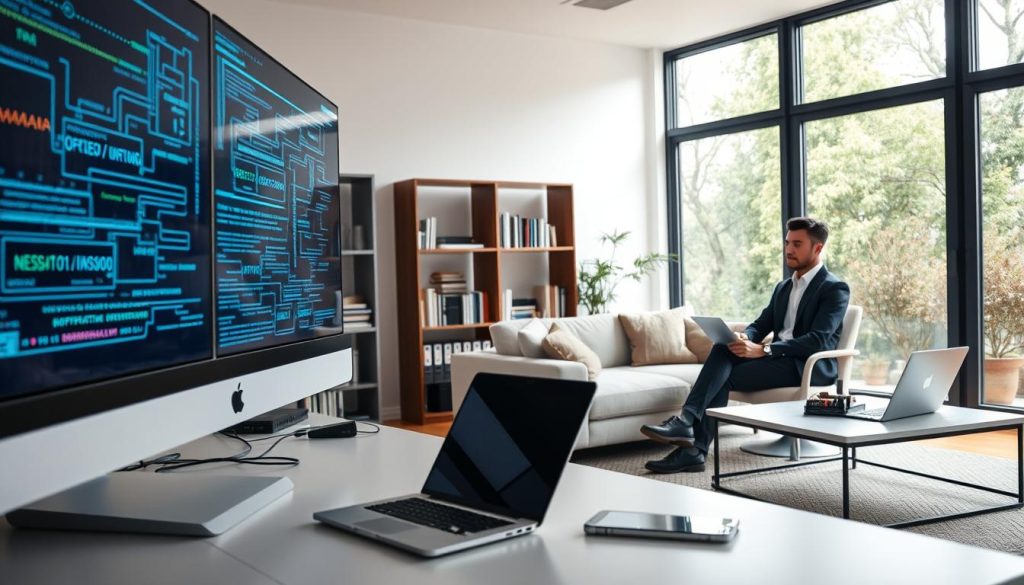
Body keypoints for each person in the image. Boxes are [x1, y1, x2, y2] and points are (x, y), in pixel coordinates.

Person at [641, 217, 850, 473]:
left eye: (797, 244)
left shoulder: (834, 288)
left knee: (723, 377)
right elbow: (760, 324)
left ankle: (692, 446)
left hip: (806, 365)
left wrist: (764, 349)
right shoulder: (784, 288)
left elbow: (818, 340)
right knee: (723, 347)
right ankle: (688, 430)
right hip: (778, 359)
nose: (788, 250)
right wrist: (746, 338)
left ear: (817, 248)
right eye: (787, 243)